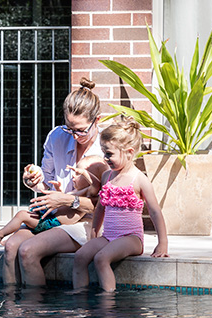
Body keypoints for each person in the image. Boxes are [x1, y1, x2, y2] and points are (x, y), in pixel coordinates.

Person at [2, 77, 108, 286]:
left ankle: (36, 314)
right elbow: (46, 184)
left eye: (81, 130)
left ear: (97, 120)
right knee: (11, 247)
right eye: (70, 128)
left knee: (27, 250)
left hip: (89, 222)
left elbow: (103, 206)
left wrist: (68, 200)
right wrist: (33, 180)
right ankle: (11, 313)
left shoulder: (108, 148)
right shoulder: (57, 136)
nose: (75, 136)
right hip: (56, 215)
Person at [72, 116, 169, 292]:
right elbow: (100, 207)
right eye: (104, 153)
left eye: (109, 154)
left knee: (101, 258)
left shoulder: (139, 179)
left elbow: (155, 212)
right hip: (109, 236)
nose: (105, 158)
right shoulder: (107, 176)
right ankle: (80, 300)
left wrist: (162, 243)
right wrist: (94, 233)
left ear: (129, 152)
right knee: (80, 256)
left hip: (131, 238)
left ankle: (108, 305)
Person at [0, 155, 108, 243]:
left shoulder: (89, 192)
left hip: (53, 222)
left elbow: (96, 185)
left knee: (22, 215)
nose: (73, 176)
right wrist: (59, 191)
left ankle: (1, 234)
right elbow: (65, 203)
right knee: (27, 219)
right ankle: (6, 239)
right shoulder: (78, 190)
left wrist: (85, 173)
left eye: (78, 174)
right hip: (51, 219)